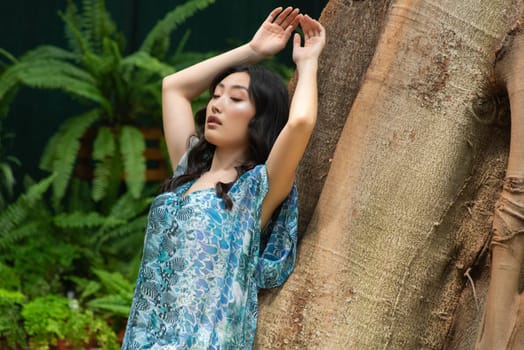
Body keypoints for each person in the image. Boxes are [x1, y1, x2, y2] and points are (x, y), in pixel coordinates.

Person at [121, 6, 325, 349]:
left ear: (259, 118)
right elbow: (173, 88)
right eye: (215, 96)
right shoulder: (187, 173)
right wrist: (253, 51)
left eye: (235, 99)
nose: (216, 105)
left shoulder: (256, 189)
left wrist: (308, 64)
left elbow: (301, 122)